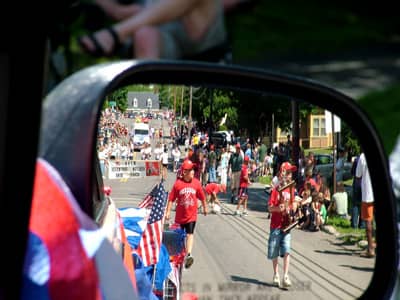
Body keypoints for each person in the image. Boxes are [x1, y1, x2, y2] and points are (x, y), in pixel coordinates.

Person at [78, 0, 227, 60]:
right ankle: (143, 118)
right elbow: (121, 12)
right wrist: (118, 10)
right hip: (157, 32)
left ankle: (117, 33)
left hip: (200, 30)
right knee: (145, 34)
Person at [165, 159, 207, 269]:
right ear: (184, 172)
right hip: (180, 216)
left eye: (193, 170)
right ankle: (180, 256)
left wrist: (205, 207)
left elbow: (202, 197)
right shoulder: (178, 184)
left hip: (191, 215)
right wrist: (168, 211)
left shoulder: (196, 183)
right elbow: (171, 199)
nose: (193, 172)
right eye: (191, 170)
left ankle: (188, 255)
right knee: (179, 236)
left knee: (190, 234)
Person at [267, 161, 297, 288]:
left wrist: (294, 206)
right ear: (283, 173)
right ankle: (276, 275)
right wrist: (277, 209)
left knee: (287, 251)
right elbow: (269, 208)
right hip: (275, 225)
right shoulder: (276, 190)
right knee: (274, 251)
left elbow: (293, 204)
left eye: (291, 173)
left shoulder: (291, 189)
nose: (290, 175)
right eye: (288, 172)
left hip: (286, 226)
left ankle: (285, 276)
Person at [356, 152, 376, 258]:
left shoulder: (363, 157)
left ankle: (370, 249)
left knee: (368, 221)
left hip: (368, 193)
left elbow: (358, 175)